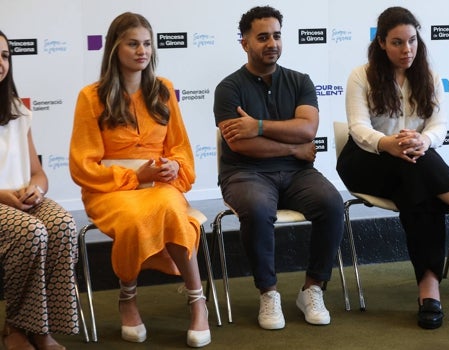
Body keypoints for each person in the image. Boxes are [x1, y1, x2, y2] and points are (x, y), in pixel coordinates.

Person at [336, 7, 449, 330]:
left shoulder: (427, 75)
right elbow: (357, 129)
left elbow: (438, 126)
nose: (407, 50)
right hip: (365, 162)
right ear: (382, 43)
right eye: (397, 43)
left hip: (412, 166)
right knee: (415, 166)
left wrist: (422, 142)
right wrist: (391, 144)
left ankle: (429, 290)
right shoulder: (361, 75)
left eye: (412, 41)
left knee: (417, 174)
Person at [68, 13, 210, 347]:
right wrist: (134, 175)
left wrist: (174, 167)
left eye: (147, 44)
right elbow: (82, 165)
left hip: (161, 185)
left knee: (174, 211)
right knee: (135, 219)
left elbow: (180, 148)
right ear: (115, 48)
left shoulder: (164, 90)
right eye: (133, 44)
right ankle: (127, 297)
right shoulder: (91, 96)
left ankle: (197, 300)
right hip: (110, 190)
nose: (141, 51)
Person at [213, 6, 344, 330]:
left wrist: (257, 125)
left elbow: (307, 131)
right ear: (244, 43)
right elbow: (240, 144)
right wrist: (292, 147)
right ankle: (268, 293)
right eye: (262, 37)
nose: (271, 43)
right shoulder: (228, 88)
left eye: (276, 35)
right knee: (257, 209)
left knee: (331, 203)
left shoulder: (300, 81)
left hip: (298, 173)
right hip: (246, 172)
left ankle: (312, 288)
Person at [0, 30, 78, 350]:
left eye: (5, 56)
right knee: (31, 231)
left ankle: (42, 329)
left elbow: (37, 172)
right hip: (4, 203)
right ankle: (16, 327)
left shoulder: (17, 110)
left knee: (62, 224)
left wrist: (37, 190)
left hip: (21, 199)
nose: (0, 62)